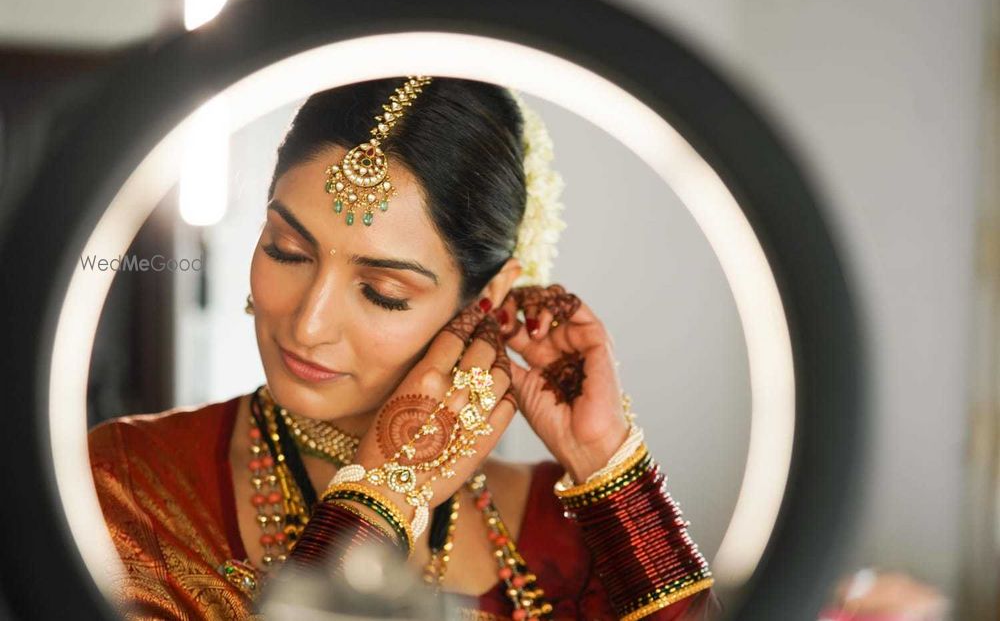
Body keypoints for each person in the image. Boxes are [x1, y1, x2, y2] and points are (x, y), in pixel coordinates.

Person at [88, 76, 723, 620]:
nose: (308, 324)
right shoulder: (123, 486)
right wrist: (382, 498)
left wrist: (609, 463)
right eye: (286, 251)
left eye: (383, 291)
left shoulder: (569, 529)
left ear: (484, 299)